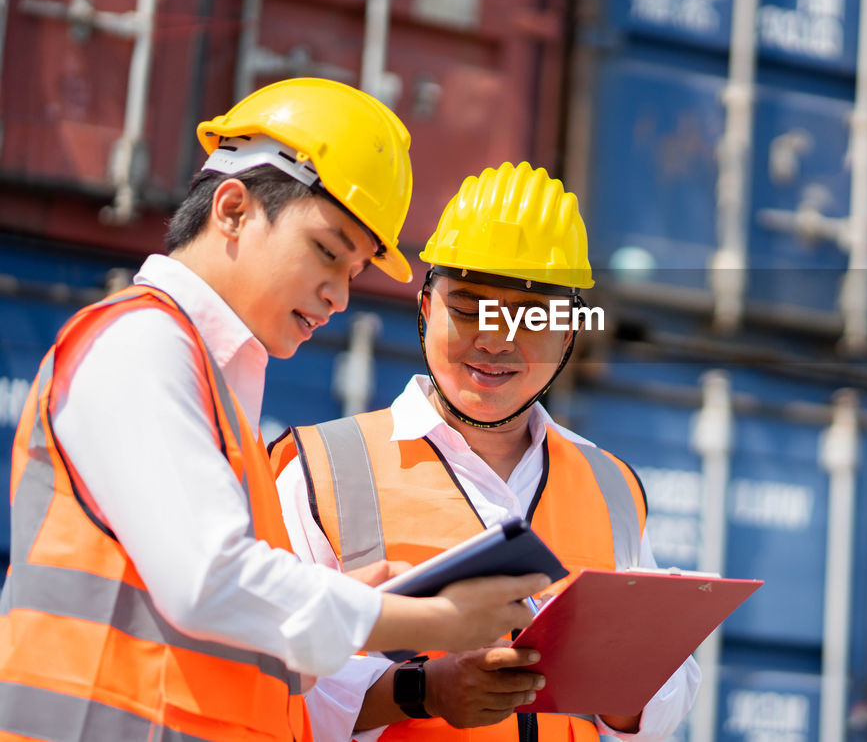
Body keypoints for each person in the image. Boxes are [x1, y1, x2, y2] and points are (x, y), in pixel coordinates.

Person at [0, 80, 547, 741]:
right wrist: (424, 621)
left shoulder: (217, 389)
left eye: (355, 270)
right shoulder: (139, 344)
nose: (339, 296)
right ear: (231, 208)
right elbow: (210, 581)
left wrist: (354, 606)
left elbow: (226, 638)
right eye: (327, 251)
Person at [271, 161, 700, 741]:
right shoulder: (321, 469)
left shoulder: (611, 486)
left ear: (570, 332)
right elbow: (267, 682)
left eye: (530, 316)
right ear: (426, 310)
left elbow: (658, 712)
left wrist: (630, 693)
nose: (496, 339)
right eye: (469, 308)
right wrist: (421, 692)